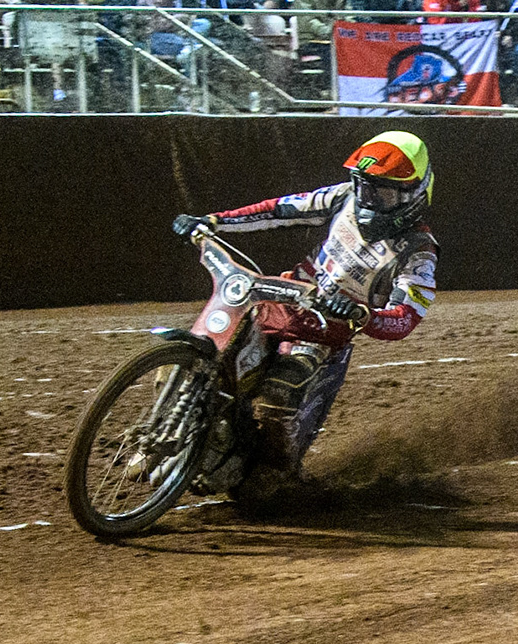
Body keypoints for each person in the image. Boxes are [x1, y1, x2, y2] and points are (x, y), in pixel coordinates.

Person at [171, 132, 439, 501]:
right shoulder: (343, 197)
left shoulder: (418, 251)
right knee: (206, 351)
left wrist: (362, 314)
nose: (368, 199)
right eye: (364, 187)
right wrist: (213, 221)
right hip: (282, 298)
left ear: (412, 195)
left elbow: (405, 317)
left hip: (325, 332)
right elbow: (279, 209)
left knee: (278, 395)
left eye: (383, 192)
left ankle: (275, 472)